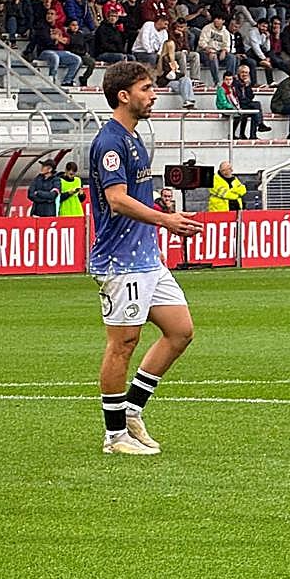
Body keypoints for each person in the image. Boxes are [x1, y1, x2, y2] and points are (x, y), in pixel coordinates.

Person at [89, 61, 203, 456]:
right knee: (123, 344)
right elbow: (116, 200)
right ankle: (114, 436)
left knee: (180, 331)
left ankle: (132, 410)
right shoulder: (110, 142)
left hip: (147, 258)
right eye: (146, 88)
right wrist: (165, 220)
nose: (153, 94)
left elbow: (132, 196)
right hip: (120, 261)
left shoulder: (135, 138)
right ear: (124, 96)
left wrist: (158, 206)